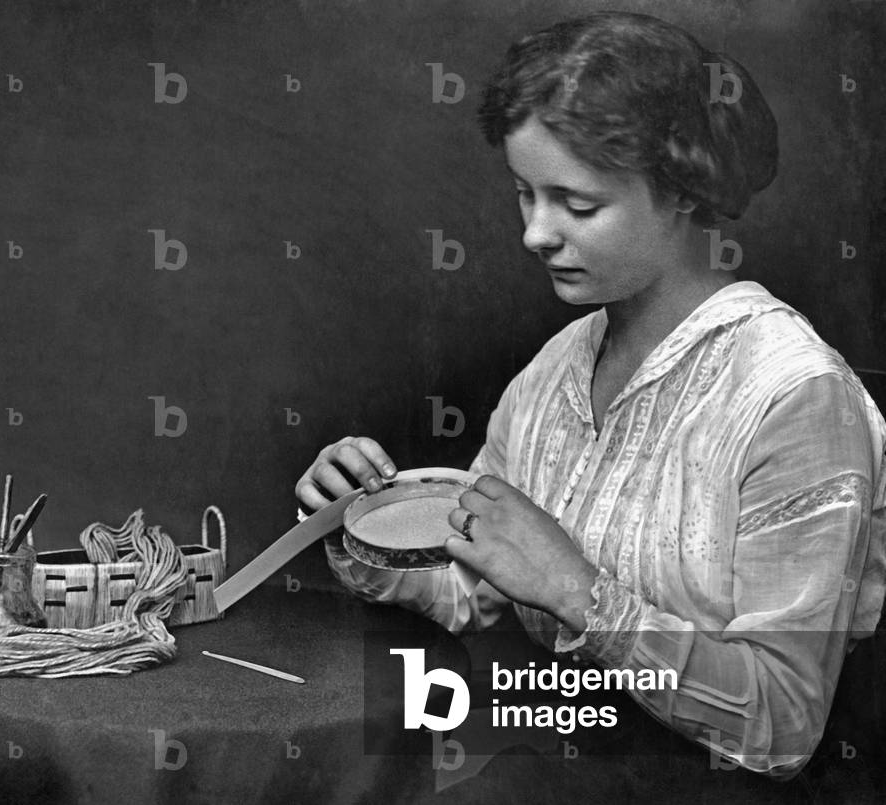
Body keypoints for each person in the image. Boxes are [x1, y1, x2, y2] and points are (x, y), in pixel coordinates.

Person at [294, 11, 886, 780]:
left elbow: (781, 721)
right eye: (523, 194)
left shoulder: (791, 396)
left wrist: (579, 590)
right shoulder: (556, 370)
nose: (535, 234)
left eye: (575, 205)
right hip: (564, 757)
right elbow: (472, 590)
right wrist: (360, 521)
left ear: (680, 191)